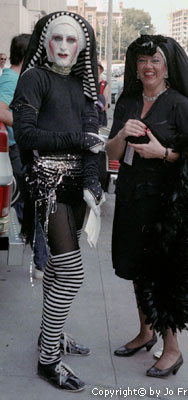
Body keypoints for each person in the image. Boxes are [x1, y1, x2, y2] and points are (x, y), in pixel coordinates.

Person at [106, 31, 188, 378]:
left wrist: (162, 153)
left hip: (165, 205)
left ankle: (173, 350)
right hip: (130, 196)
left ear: (167, 68)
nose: (148, 66)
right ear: (134, 67)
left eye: (155, 61)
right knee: (137, 270)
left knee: (164, 276)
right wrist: (122, 135)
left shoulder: (179, 104)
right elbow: (110, 153)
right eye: (142, 61)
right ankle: (145, 332)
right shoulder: (127, 102)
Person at [11, 11, 104, 392]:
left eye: (71, 40)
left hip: (75, 188)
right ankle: (49, 358)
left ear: (81, 47)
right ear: (45, 42)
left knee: (58, 271)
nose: (64, 46)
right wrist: (78, 142)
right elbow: (27, 134)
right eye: (57, 39)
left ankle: (52, 334)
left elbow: (92, 135)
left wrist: (94, 178)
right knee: (71, 272)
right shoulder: (34, 78)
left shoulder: (83, 85)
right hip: (47, 184)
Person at [0, 34, 48, 279]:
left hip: (20, 150)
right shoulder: (13, 79)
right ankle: (42, 262)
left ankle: (41, 258)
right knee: (39, 203)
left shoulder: (15, 77)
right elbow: (1, 108)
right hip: (19, 150)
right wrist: (27, 128)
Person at [97, 61, 109, 126]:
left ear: (101, 70)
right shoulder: (87, 83)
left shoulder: (104, 84)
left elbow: (105, 103)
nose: (96, 70)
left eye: (98, 68)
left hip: (100, 116)